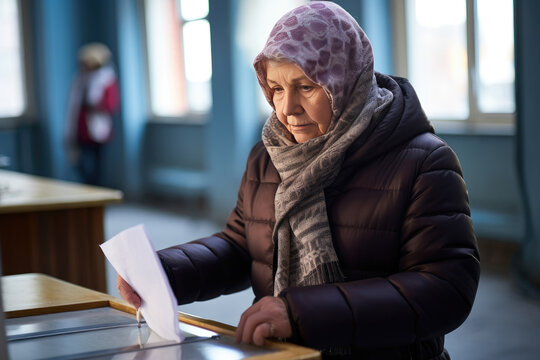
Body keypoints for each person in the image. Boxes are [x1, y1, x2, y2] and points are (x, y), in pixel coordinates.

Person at [117, 2, 480, 359]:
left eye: (305, 87)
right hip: (287, 354)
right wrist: (168, 272)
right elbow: (244, 247)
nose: (286, 108)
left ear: (345, 81)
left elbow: (445, 290)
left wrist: (301, 313)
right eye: (275, 88)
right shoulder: (269, 155)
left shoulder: (424, 163)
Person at [65, 42, 120, 185]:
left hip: (98, 132)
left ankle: (97, 193)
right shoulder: (79, 80)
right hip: (80, 131)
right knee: (80, 164)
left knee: (98, 167)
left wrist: (94, 105)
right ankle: (89, 188)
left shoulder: (106, 79)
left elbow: (111, 106)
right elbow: (72, 107)